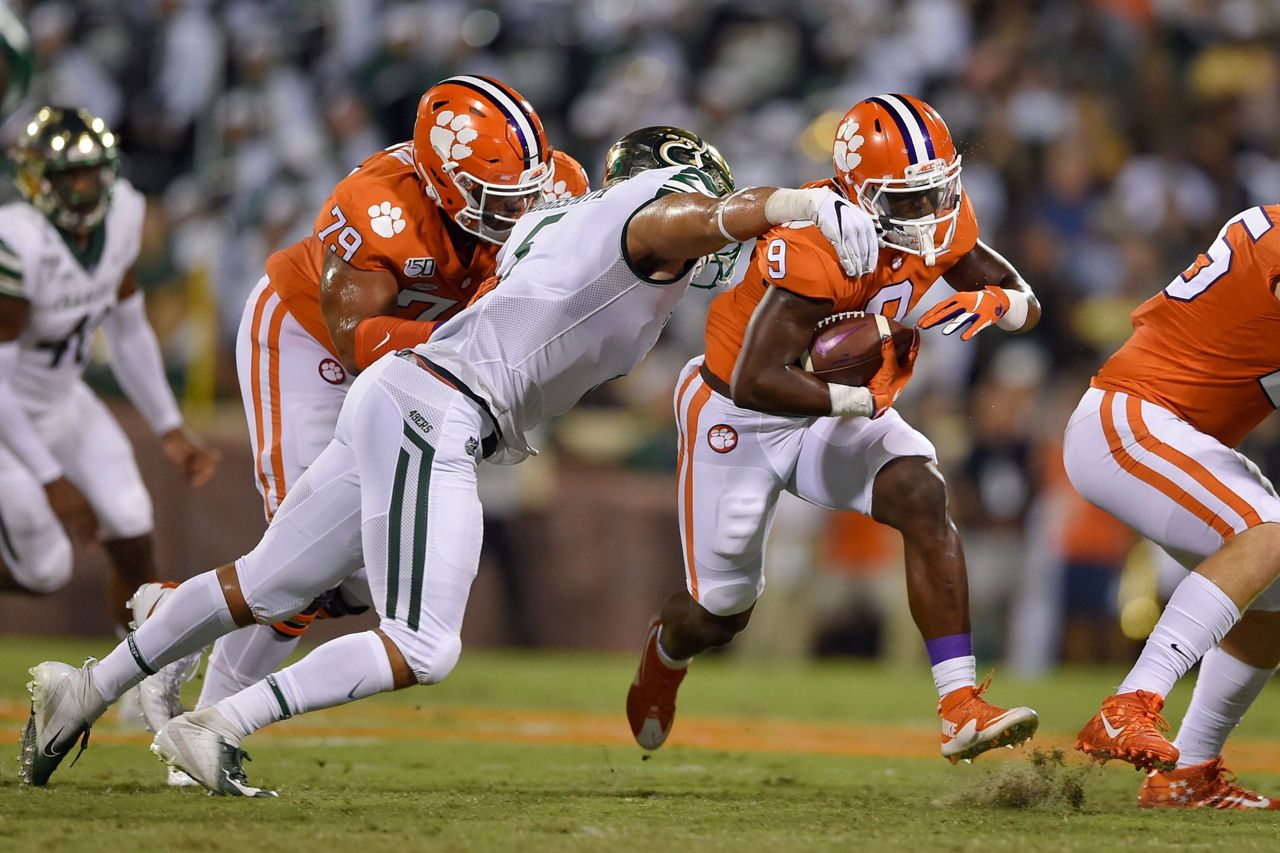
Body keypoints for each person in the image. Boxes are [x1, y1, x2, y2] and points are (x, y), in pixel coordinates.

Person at [20, 124, 884, 796]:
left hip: (408, 396)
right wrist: (789, 206)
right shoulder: (643, 210)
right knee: (424, 645)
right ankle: (220, 723)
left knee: (263, 584)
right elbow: (687, 217)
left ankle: (84, 689)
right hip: (436, 408)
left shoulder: (577, 230)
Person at [130, 77, 589, 740]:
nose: (516, 214)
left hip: (412, 371)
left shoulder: (551, 186)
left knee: (369, 575)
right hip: (308, 342)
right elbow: (359, 340)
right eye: (496, 200)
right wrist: (467, 344)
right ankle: (206, 722)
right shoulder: (381, 206)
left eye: (525, 195)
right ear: (441, 181)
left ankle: (177, 621)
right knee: (300, 563)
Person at [626, 94, 1042, 764]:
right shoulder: (816, 245)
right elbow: (758, 379)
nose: (928, 213)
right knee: (722, 612)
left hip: (828, 407)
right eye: (906, 200)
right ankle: (666, 651)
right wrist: (861, 395)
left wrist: (999, 303)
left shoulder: (938, 214)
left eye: (935, 192)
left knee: (920, 491)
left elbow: (1018, 292)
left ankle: (959, 706)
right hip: (739, 415)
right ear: (859, 195)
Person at [1068, 205, 1280, 809]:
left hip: (1168, 431)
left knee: (1273, 601)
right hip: (1132, 418)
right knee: (1267, 534)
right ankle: (1130, 703)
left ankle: (1187, 775)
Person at [0, 106, 217, 624]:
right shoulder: (18, 242)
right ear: (37, 181)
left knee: (133, 527)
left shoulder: (123, 212)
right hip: (8, 418)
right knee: (44, 571)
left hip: (63, 400)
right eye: (68, 175)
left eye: (92, 172)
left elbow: (127, 325)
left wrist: (169, 426)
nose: (84, 187)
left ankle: (137, 677)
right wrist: (52, 478)